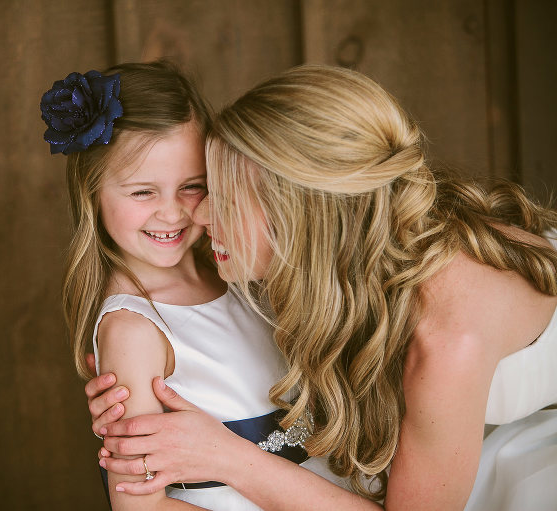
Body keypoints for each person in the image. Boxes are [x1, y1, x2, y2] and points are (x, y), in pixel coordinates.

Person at [84, 65, 557, 510]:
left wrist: (226, 456)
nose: (199, 216)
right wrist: (136, 382)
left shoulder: (447, 341)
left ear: (295, 218)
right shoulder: (330, 263)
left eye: (221, 199)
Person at [43, 60, 311, 511]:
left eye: (192, 186)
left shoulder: (241, 274)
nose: (173, 213)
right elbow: (139, 507)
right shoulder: (134, 330)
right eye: (143, 192)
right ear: (93, 193)